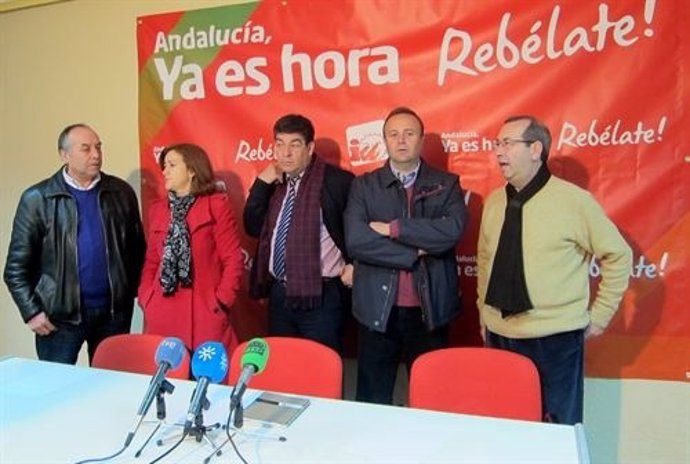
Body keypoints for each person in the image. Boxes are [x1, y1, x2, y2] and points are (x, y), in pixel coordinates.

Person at [477, 115, 633, 424]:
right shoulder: (495, 202)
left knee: (556, 426)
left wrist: (600, 316)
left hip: (554, 339)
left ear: (535, 149)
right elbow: (484, 260)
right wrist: (484, 311)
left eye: (508, 143)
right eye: (497, 144)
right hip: (499, 334)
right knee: (505, 424)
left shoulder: (574, 201)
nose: (498, 152)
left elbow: (618, 255)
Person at [345, 107, 468, 404]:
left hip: (430, 312)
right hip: (378, 312)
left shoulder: (446, 183)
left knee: (435, 399)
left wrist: (393, 228)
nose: (401, 141)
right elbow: (357, 241)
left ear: (421, 140)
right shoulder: (364, 185)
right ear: (384, 140)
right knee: (373, 400)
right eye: (393, 134)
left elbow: (451, 231)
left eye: (409, 134)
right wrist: (414, 253)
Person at [4, 123, 146, 364]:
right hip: (58, 319)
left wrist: (130, 296)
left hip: (113, 316)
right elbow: (15, 268)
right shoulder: (38, 198)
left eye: (98, 147)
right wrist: (31, 312)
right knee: (57, 390)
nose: (96, 154)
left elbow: (137, 251)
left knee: (109, 387)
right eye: (86, 148)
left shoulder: (120, 193)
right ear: (64, 154)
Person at [244, 114, 354, 353]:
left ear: (310, 147)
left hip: (321, 296)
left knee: (321, 371)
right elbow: (252, 227)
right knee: (282, 369)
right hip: (280, 295)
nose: (285, 153)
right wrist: (263, 182)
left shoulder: (336, 182)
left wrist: (356, 264)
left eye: (294, 145)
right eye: (279, 144)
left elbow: (357, 230)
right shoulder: (276, 183)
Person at [138, 143, 244, 353]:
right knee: (168, 377)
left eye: (172, 165)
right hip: (162, 311)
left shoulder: (215, 205)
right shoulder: (158, 210)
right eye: (164, 165)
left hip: (205, 313)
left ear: (192, 170)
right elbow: (152, 261)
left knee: (209, 380)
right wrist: (146, 297)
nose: (165, 171)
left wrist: (221, 301)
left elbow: (233, 259)